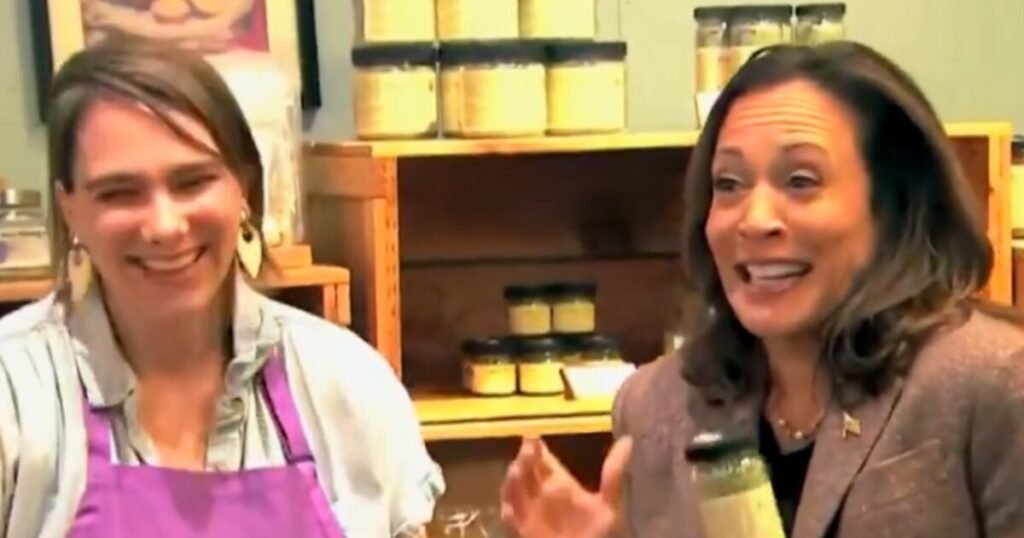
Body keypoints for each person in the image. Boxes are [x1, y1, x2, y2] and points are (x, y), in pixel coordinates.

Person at [500, 41, 1024, 538]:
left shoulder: (993, 384)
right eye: (729, 185)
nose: (754, 220)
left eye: (800, 181)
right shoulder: (655, 407)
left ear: (893, 208)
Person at [0, 34, 443, 537]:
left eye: (192, 182)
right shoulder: (15, 397)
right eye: (120, 192)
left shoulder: (347, 384)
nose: (165, 225)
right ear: (70, 209)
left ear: (245, 187)